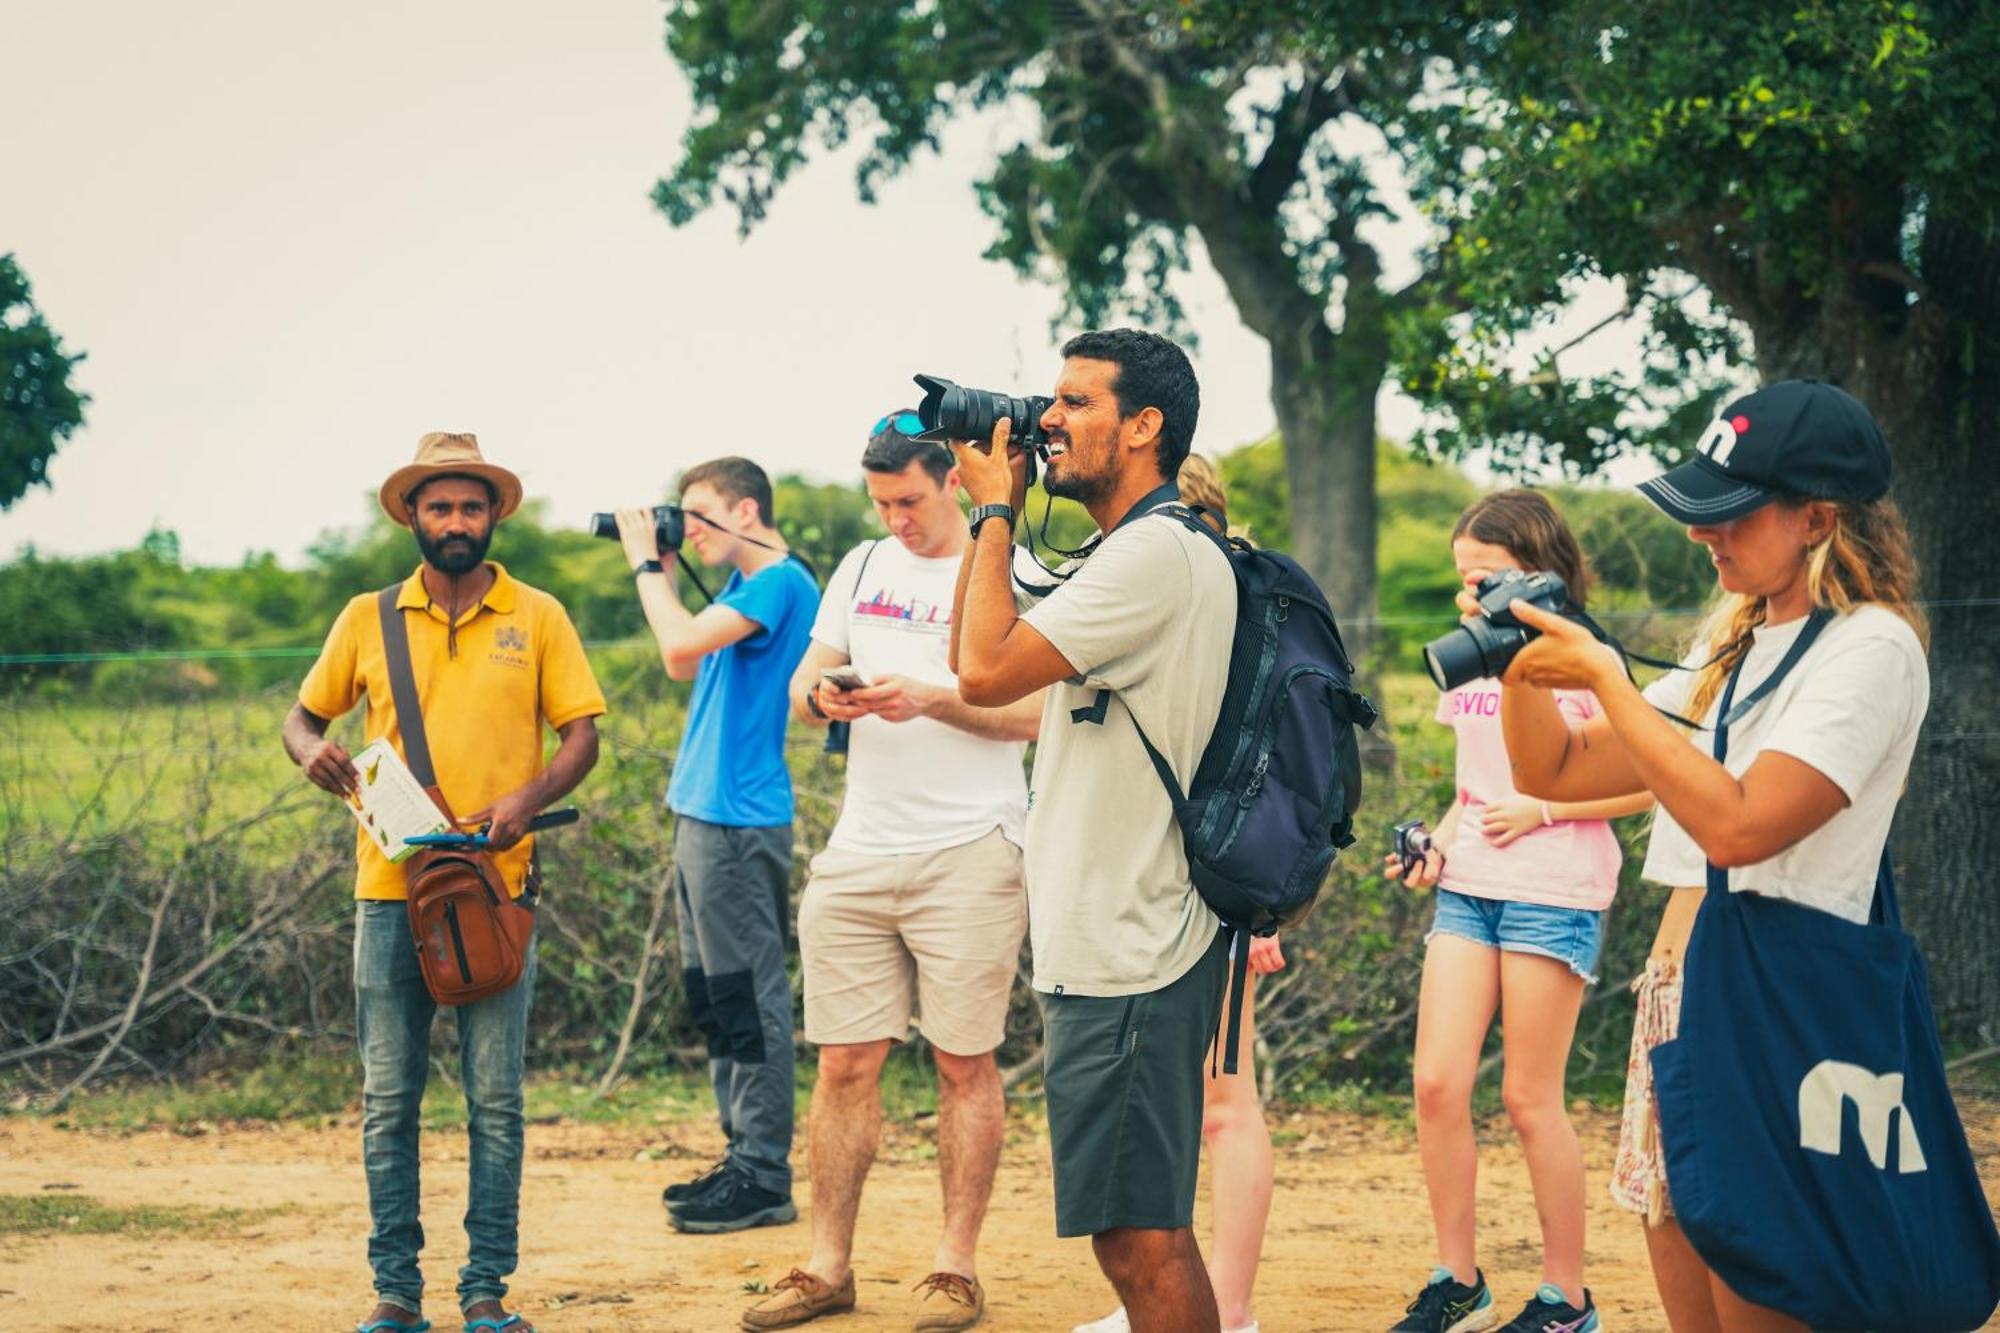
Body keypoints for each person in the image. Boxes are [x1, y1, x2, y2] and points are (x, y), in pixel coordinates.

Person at [1492, 381, 1929, 1332]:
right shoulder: (1732, 640)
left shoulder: (1872, 649)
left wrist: (1610, 677)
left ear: (1819, 517)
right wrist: (1521, 664)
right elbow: (1558, 768)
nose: (1705, 535)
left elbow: (1741, 825)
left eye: (1731, 513)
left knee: (1764, 1281)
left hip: (1781, 1005)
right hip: (1681, 997)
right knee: (1689, 1274)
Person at [284, 432, 605, 1333]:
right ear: (413, 518)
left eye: (471, 506)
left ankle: (486, 1292)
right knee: (390, 1101)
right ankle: (395, 1293)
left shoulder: (537, 614)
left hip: (500, 892)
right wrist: (314, 752)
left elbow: (582, 735)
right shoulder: (365, 616)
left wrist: (528, 794)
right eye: (439, 507)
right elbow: (302, 719)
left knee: (495, 1100)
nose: (455, 521)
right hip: (390, 892)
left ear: (492, 514)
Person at [949, 329, 1237, 1333]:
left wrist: (993, 508)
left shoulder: (1154, 553)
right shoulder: (1136, 549)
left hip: (1130, 943)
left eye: (1074, 403)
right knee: (1136, 1224)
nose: (1048, 420)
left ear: (1143, 425)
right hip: (1122, 936)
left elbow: (981, 674)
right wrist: (996, 509)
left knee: (1136, 1233)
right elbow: (982, 658)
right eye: (1049, 399)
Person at [737, 413, 1045, 1331]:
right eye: (880, 502)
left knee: (963, 1060)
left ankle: (955, 1267)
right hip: (861, 845)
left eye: (908, 499)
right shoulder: (862, 565)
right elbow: (803, 682)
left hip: (975, 845)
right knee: (842, 1061)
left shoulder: (1012, 568)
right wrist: (821, 694)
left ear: (953, 480)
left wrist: (935, 701)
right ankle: (827, 1263)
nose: (896, 518)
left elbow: (1041, 715)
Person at [1382, 490, 1651, 1333]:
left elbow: (1650, 777)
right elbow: (1473, 790)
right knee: (1436, 1083)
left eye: (1486, 579)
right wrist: (1436, 842)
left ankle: (1567, 1301)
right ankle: (1457, 1280)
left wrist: (1548, 807)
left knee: (1531, 1098)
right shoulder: (1474, 658)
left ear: (1540, 569)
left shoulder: (1588, 656)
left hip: (1554, 890)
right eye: (1464, 580)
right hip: (1470, 887)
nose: (1470, 597)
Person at [1072, 452, 1281, 1333]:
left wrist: (1256, 904)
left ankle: (1225, 1307)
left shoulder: (1201, 594)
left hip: (1203, 886)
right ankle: (1197, 1298)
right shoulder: (1227, 592)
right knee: (1201, 1107)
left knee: (1228, 1104)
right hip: (1195, 882)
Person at [615, 457, 820, 1235]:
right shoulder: (738, 588)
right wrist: (664, 568)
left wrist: (645, 564)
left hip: (738, 820)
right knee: (717, 995)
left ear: (745, 508)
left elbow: (680, 637)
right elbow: (679, 655)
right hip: (701, 814)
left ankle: (764, 1171)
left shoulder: (780, 581)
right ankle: (742, 1156)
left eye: (698, 514)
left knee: (750, 993)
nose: (688, 528)